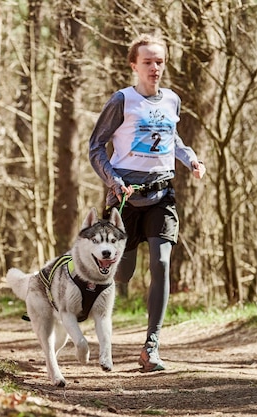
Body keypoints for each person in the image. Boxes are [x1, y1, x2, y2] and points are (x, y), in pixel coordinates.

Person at [89, 33, 206, 372]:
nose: (155, 68)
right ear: (133, 65)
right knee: (121, 273)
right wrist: (114, 181)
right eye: (148, 62)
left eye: (159, 62)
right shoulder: (122, 101)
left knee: (162, 262)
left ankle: (150, 348)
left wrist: (191, 159)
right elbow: (95, 147)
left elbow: (174, 139)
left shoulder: (171, 100)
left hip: (161, 195)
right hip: (125, 197)